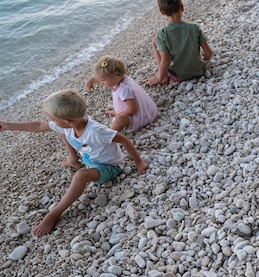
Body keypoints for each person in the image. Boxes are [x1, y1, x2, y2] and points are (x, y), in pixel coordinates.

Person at [0, 89, 148, 236]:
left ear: (68, 121)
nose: (51, 122)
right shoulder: (69, 126)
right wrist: (7, 125)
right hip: (89, 158)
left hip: (109, 166)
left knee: (80, 176)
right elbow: (39, 125)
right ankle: (74, 160)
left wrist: (139, 162)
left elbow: (124, 140)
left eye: (53, 119)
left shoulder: (96, 131)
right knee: (63, 133)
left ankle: (55, 213)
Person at [146, 0, 213, 85]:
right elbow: (208, 53)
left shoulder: (162, 33)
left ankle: (162, 76)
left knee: (154, 41)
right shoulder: (194, 28)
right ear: (182, 7)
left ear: (162, 12)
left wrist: (159, 79)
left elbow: (166, 61)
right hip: (199, 71)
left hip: (178, 76)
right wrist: (204, 57)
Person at [86, 55, 158, 132]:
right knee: (119, 115)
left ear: (116, 78)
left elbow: (133, 109)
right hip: (139, 111)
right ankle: (118, 112)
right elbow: (107, 77)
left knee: (119, 120)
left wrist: (119, 115)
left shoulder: (125, 90)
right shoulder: (121, 79)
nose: (101, 83)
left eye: (102, 80)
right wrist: (93, 80)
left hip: (140, 117)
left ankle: (108, 136)